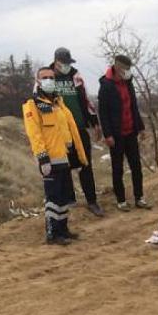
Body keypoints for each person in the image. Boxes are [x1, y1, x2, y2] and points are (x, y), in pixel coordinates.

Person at [22, 67, 89, 245]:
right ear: (37, 81)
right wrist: (42, 158)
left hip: (64, 158)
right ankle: (53, 232)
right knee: (53, 198)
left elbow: (69, 130)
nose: (49, 80)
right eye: (45, 78)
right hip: (49, 160)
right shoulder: (33, 104)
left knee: (65, 196)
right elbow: (34, 133)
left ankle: (63, 229)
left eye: (52, 77)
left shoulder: (59, 103)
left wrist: (77, 156)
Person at [49, 47, 104, 217]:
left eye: (68, 63)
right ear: (56, 61)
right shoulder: (47, 77)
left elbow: (86, 100)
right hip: (59, 131)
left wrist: (94, 122)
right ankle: (68, 200)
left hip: (79, 127)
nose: (66, 66)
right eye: (63, 63)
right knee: (63, 166)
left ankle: (92, 201)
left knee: (85, 164)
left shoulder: (76, 76)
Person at [98, 55, 151, 212]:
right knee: (118, 168)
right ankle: (121, 200)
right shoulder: (106, 86)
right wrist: (107, 135)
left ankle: (139, 197)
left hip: (130, 132)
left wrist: (140, 128)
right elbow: (103, 112)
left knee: (136, 166)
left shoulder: (128, 83)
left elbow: (133, 107)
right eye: (126, 69)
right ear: (118, 68)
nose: (128, 72)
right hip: (116, 135)